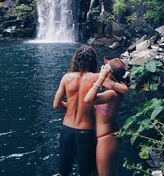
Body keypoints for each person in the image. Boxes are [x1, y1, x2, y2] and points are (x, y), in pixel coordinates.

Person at [53, 46, 128, 176]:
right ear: (93, 61)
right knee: (86, 171)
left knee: (64, 170)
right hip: (85, 131)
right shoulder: (96, 77)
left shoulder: (66, 77)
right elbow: (123, 89)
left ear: (75, 60)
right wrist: (103, 78)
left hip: (66, 130)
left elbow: (56, 105)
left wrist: (70, 108)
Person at [84, 57, 128, 176]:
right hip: (105, 136)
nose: (102, 68)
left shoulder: (112, 94)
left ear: (109, 72)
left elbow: (88, 99)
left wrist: (101, 79)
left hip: (106, 138)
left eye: (105, 67)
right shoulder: (110, 89)